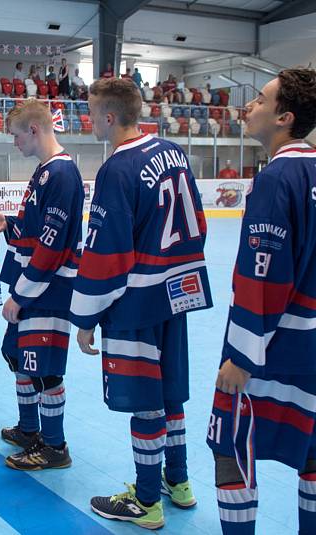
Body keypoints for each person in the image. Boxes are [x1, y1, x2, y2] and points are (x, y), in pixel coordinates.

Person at [70, 77, 211, 530]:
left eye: (91, 114)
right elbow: (198, 224)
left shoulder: (117, 168)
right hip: (177, 293)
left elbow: (108, 251)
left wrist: (87, 316)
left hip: (138, 301)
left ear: (109, 117)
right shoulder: (173, 151)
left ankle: (147, 501)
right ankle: (180, 481)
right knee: (170, 392)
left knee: (146, 402)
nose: (88, 121)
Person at [205, 68, 316, 535]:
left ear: (284, 118)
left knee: (229, 444)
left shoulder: (277, 179)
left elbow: (262, 277)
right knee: (311, 451)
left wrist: (241, 355)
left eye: (262, 100)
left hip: (274, 350)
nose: (248, 107)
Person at [0, 99, 84, 468]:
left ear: (34, 130)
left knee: (45, 369)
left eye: (17, 136)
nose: (15, 143)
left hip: (48, 290)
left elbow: (51, 246)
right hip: (31, 284)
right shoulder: (44, 171)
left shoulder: (63, 174)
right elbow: (35, 230)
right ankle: (29, 428)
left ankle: (54, 446)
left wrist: (20, 296)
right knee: (19, 356)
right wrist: (5, 221)